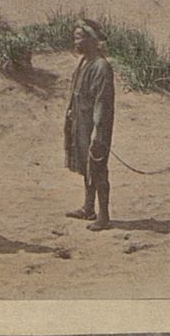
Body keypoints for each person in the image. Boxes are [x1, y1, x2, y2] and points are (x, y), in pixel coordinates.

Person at [64, 19, 115, 231]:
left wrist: (97, 133)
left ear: (92, 40)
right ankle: (88, 208)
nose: (76, 42)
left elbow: (102, 103)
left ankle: (103, 216)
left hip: (95, 127)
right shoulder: (84, 62)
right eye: (75, 37)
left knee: (98, 168)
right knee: (86, 166)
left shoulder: (101, 67)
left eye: (80, 37)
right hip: (80, 122)